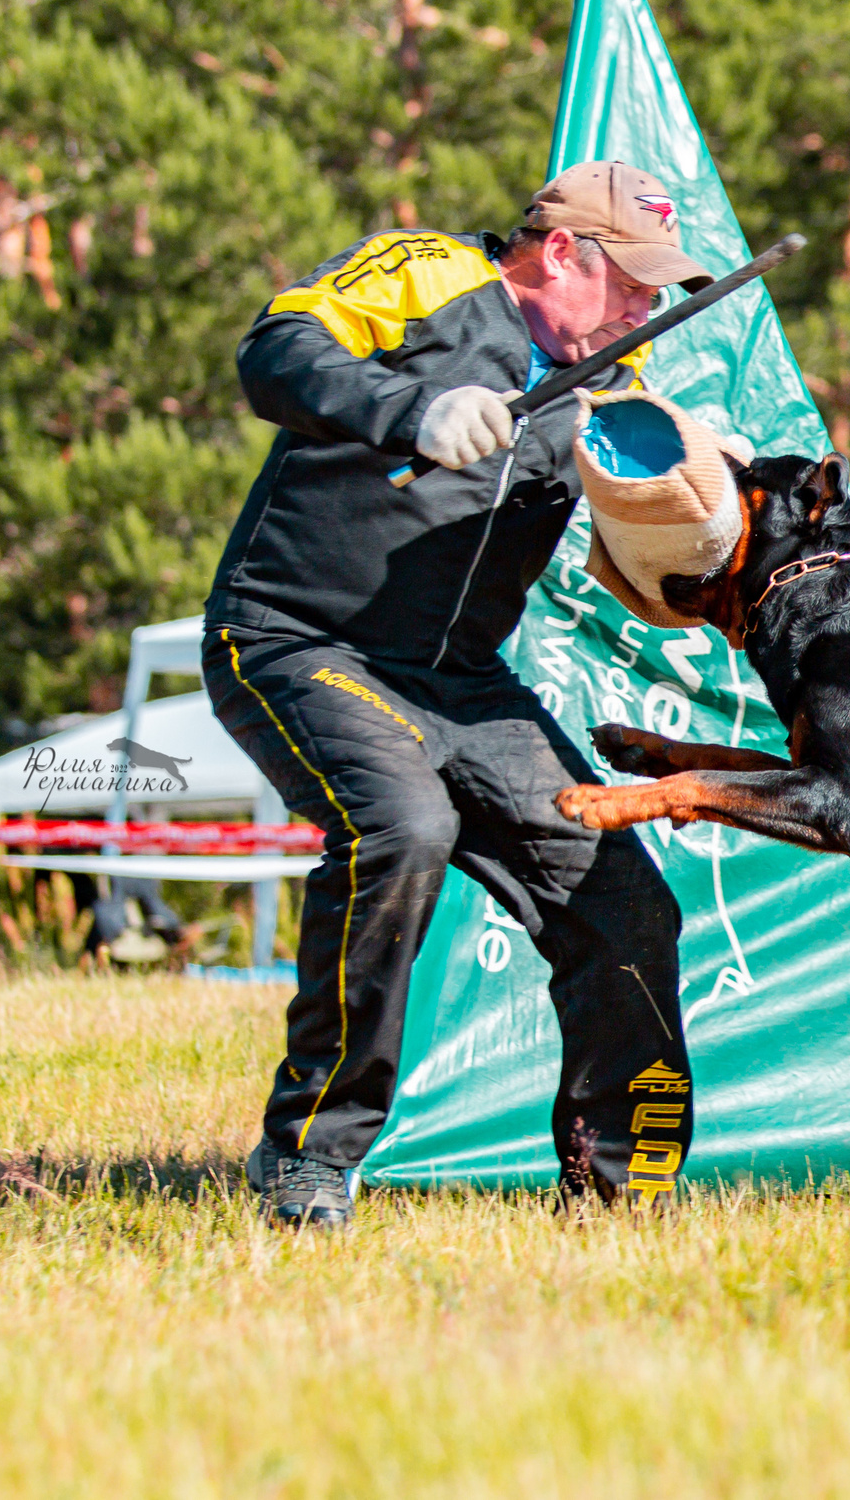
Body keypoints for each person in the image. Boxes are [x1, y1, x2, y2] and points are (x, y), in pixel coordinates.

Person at [202, 161, 712, 1228]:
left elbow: (646, 531)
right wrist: (413, 410)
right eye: (631, 281)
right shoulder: (428, 270)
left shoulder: (618, 366)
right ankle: (307, 1160)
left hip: (461, 681)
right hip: (301, 643)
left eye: (658, 291)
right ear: (562, 250)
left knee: (624, 901)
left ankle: (623, 1194)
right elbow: (274, 351)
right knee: (402, 826)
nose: (645, 308)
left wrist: (706, 501)